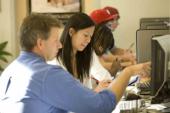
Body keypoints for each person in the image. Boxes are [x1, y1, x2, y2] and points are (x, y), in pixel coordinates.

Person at [0, 13, 150, 113]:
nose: (60, 45)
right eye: (55, 41)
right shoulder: (48, 74)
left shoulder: (10, 71)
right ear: (40, 43)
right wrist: (129, 71)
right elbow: (101, 106)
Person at [48, 13, 112, 91]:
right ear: (71, 32)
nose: (88, 40)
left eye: (90, 37)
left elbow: (105, 77)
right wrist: (95, 92)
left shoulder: (88, 53)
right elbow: (66, 97)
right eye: (85, 35)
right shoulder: (55, 59)